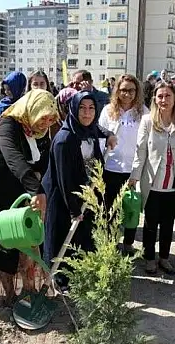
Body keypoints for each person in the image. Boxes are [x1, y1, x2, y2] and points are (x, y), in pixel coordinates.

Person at [0, 89, 59, 304]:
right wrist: (35, 188)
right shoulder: (7, 125)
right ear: (31, 110)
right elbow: (13, 158)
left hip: (23, 198)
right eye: (42, 117)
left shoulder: (41, 133)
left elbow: (43, 162)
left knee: (26, 244)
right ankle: (1, 298)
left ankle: (27, 295)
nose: (45, 123)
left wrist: (34, 187)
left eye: (50, 119)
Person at [43, 92, 115, 290]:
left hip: (84, 193)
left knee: (82, 238)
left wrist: (109, 134)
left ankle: (79, 276)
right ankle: (59, 281)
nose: (87, 113)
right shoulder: (64, 140)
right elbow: (64, 180)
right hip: (64, 198)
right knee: (64, 237)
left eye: (91, 108)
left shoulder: (89, 130)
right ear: (73, 110)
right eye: (82, 108)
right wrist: (74, 210)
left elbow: (96, 128)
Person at [129, 81, 175, 275]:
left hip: (174, 183)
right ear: (155, 99)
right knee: (150, 222)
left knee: (168, 223)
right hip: (152, 181)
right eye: (160, 96)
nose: (163, 100)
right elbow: (141, 151)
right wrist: (134, 176)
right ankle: (149, 258)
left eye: (168, 96)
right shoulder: (148, 120)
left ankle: (164, 257)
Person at [98, 74, 149, 255]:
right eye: (123, 90)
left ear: (137, 92)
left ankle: (128, 244)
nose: (127, 94)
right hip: (111, 168)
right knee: (110, 210)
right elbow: (100, 137)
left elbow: (147, 141)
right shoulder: (107, 111)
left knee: (130, 209)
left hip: (133, 170)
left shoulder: (144, 112)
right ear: (117, 91)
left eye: (131, 90)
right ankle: (110, 244)